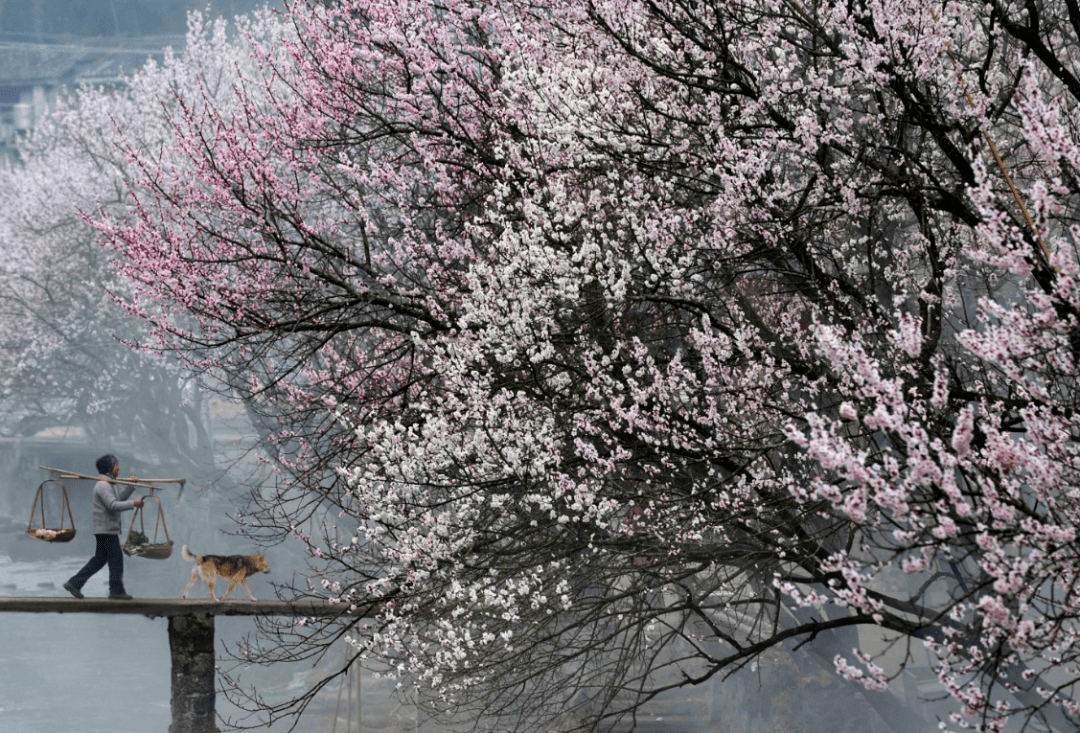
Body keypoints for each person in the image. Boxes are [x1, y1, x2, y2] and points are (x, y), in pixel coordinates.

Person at [63, 454, 143, 600]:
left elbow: (118, 500)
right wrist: (134, 504)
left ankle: (75, 583)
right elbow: (112, 506)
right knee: (116, 559)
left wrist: (131, 486)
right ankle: (116, 591)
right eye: (116, 465)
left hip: (106, 529)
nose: (118, 468)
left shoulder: (109, 484)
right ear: (109, 468)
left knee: (100, 559)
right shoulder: (103, 485)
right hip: (106, 529)